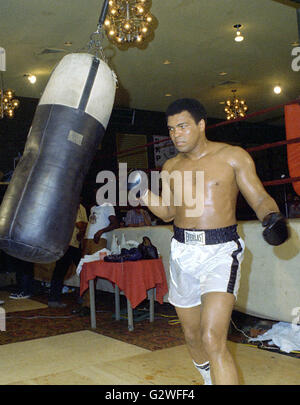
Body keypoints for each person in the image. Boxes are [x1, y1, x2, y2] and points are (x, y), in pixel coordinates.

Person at [129, 98, 288, 385]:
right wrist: (142, 193)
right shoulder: (170, 167)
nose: (176, 134)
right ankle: (208, 378)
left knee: (212, 338)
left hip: (220, 252)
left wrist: (271, 218)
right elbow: (168, 212)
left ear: (201, 125)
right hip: (181, 252)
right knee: (192, 336)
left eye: (182, 126)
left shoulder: (232, 156)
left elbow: (260, 197)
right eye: (171, 129)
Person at [74, 199, 119, 316]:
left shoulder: (108, 206)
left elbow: (115, 223)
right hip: (87, 241)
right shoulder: (93, 208)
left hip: (99, 240)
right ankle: (85, 303)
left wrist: (101, 231)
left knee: (91, 272)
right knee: (84, 270)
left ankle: (88, 306)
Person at [48, 202, 88, 308]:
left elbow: (84, 225)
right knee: (61, 271)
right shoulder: (68, 205)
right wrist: (82, 227)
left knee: (82, 270)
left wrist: (82, 228)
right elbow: (81, 224)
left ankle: (83, 297)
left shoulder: (81, 207)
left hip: (75, 243)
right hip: (66, 243)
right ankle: (54, 299)